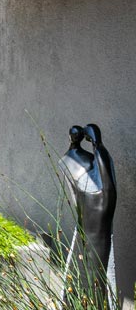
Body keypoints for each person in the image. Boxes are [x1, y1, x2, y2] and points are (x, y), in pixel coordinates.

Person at [59, 124, 117, 309]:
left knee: (87, 281)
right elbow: (108, 184)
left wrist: (96, 145)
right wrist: (97, 144)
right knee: (95, 284)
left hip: (91, 239)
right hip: (92, 239)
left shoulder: (69, 161)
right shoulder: (102, 185)